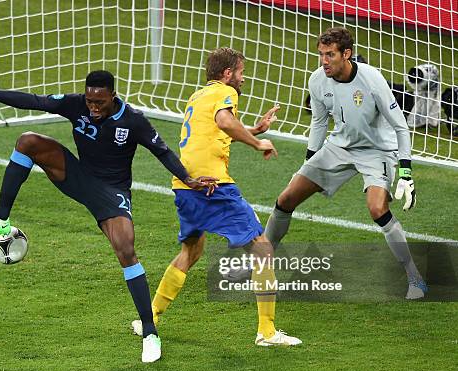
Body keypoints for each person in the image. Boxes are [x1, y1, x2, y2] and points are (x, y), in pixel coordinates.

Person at [0, 71, 216, 363]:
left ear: (113, 97)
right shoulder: (76, 104)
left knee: (126, 249)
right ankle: (1, 219)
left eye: (99, 102)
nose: (93, 107)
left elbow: (162, 151)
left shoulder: (133, 121)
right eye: (89, 101)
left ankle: (150, 333)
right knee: (28, 141)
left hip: (111, 192)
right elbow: (34, 101)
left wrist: (188, 179)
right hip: (77, 175)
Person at [131, 48, 302, 346]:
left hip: (186, 184)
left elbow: (215, 130)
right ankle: (267, 331)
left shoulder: (198, 96)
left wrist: (253, 128)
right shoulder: (226, 93)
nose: (243, 78)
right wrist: (257, 142)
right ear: (227, 74)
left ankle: (150, 317)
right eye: (241, 72)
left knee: (191, 252)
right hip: (214, 187)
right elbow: (224, 122)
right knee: (263, 249)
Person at [265, 27, 428, 300]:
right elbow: (318, 123)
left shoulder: (372, 78)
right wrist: (309, 164)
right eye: (321, 54)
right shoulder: (317, 81)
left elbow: (401, 127)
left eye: (330, 55)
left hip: (377, 151)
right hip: (339, 146)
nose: (324, 61)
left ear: (347, 54)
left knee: (377, 209)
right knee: (286, 198)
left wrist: (406, 172)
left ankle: (415, 277)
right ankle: (262, 265)